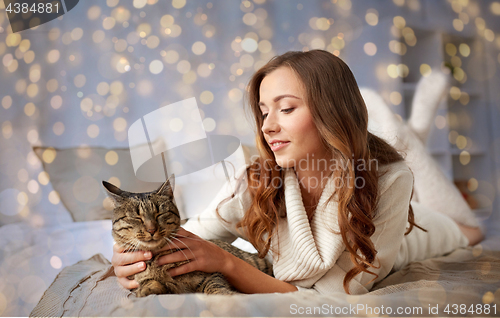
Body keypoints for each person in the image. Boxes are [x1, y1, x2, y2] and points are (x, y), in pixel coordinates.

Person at [112, 50, 483, 295]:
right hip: (377, 186)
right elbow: (188, 236)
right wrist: (131, 258)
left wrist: (227, 262)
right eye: (263, 112)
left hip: (417, 232)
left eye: (285, 108)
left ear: (330, 112)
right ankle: (406, 125)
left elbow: (339, 295)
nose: (267, 126)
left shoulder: (391, 180)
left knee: (469, 229)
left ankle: (405, 128)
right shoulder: (256, 178)